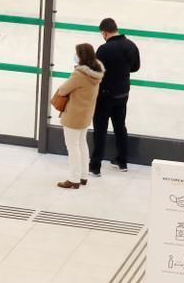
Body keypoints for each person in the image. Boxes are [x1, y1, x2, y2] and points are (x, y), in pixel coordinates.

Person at [90, 18, 140, 176]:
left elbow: (96, 71)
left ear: (104, 32)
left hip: (104, 96)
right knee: (120, 127)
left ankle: (95, 166)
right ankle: (122, 161)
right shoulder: (131, 45)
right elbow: (135, 67)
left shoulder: (104, 49)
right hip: (122, 94)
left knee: (100, 130)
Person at [54, 44, 104, 190]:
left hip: (74, 116)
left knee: (72, 147)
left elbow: (63, 90)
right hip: (86, 114)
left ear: (81, 57)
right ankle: (83, 176)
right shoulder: (96, 72)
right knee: (82, 144)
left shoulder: (80, 75)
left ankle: (73, 179)